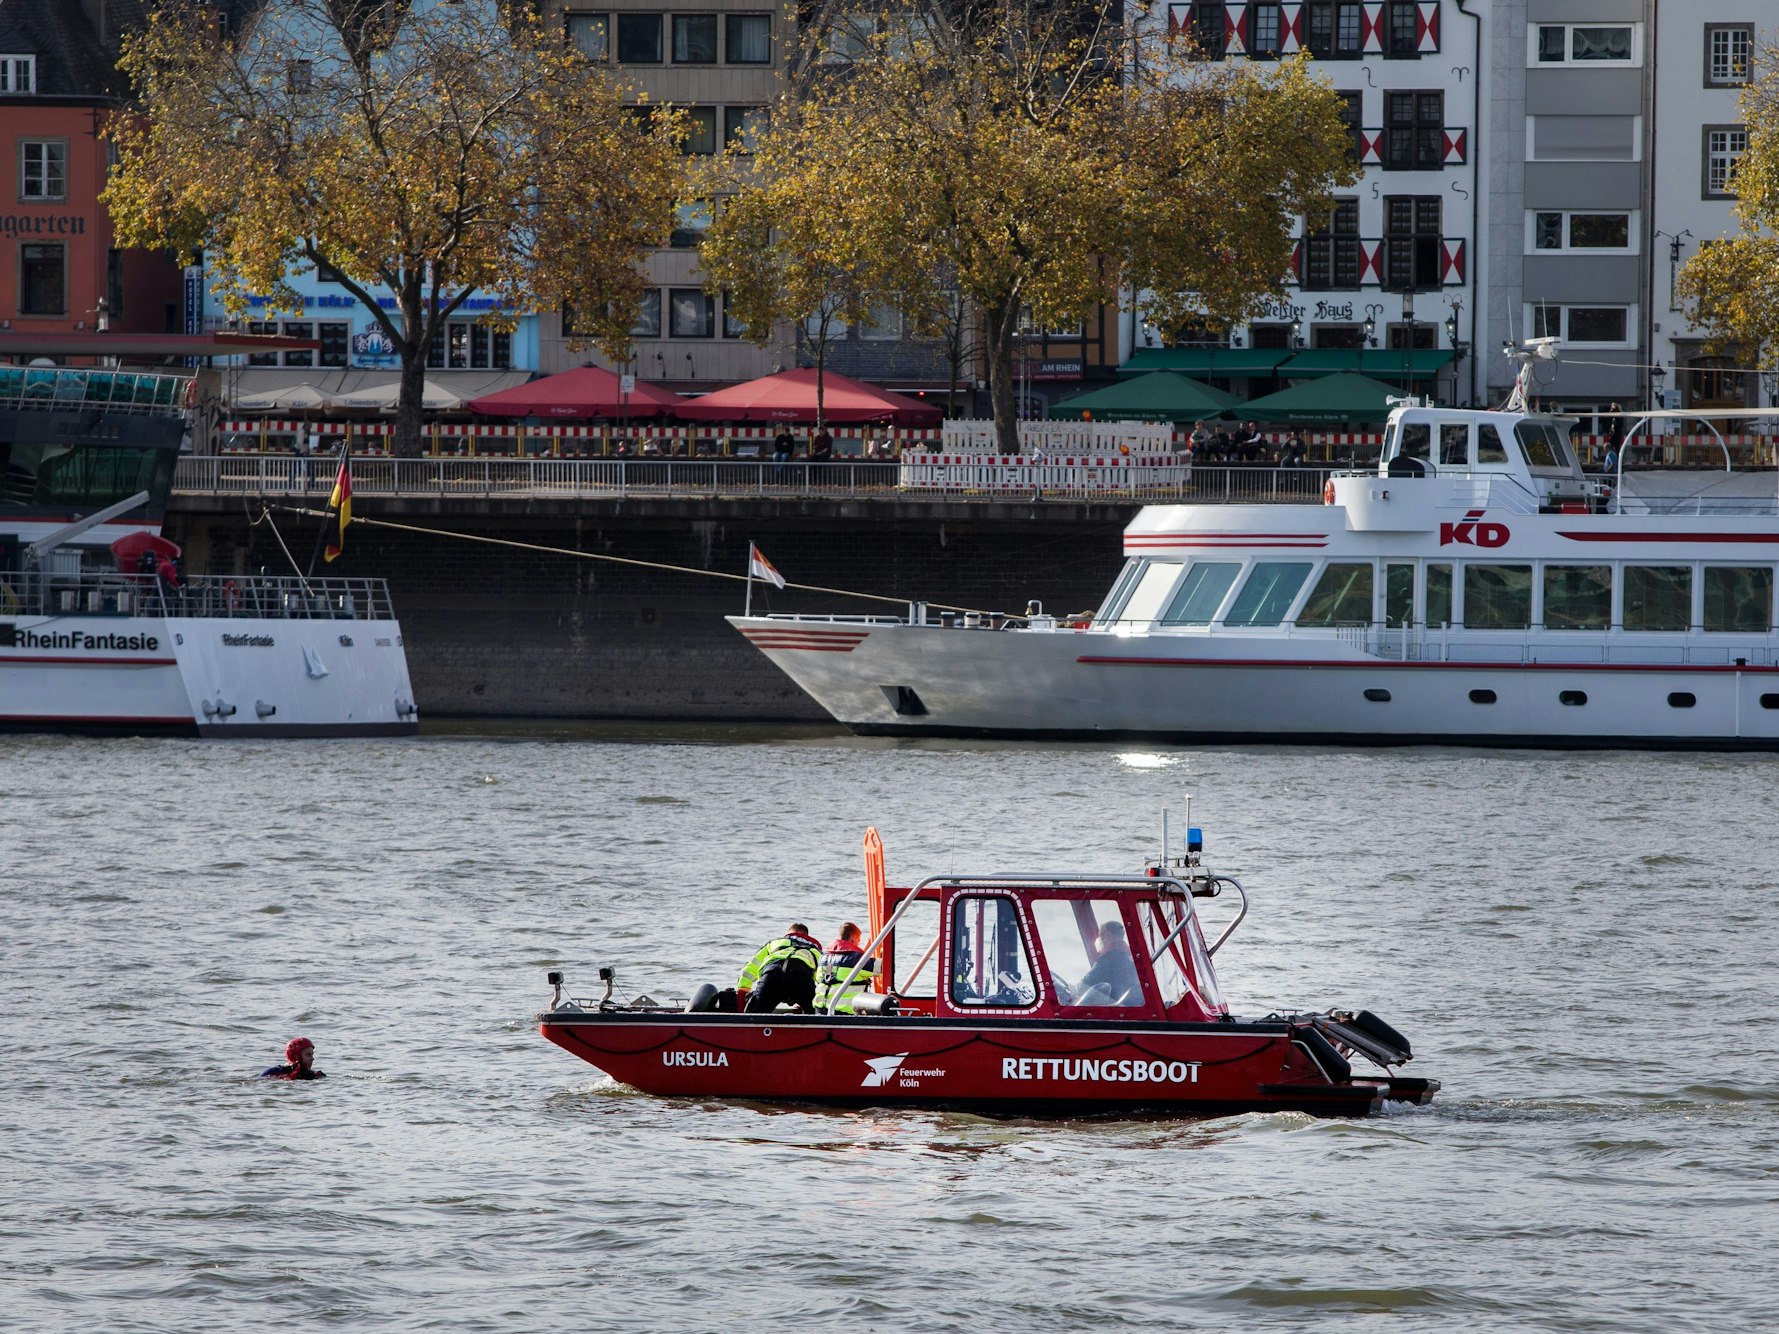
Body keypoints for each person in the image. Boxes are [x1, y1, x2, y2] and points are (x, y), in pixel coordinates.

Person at [737, 922, 823, 1013]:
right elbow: (823, 978)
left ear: (787, 934)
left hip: (772, 975)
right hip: (800, 976)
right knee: (816, 1013)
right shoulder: (816, 951)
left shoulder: (774, 943)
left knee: (755, 1015)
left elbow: (749, 970)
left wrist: (742, 995)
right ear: (806, 936)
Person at [815, 921, 878, 1014]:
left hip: (820, 1011)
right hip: (844, 1014)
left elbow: (849, 965)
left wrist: (866, 951)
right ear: (853, 938)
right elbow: (884, 968)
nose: (858, 944)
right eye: (858, 940)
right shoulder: (856, 959)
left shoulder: (823, 958)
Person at [1074, 920, 1141, 1005]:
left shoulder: (1110, 958)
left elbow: (1084, 985)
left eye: (1100, 935)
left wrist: (1072, 989)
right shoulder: (1130, 958)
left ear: (1107, 936)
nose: (1099, 939)